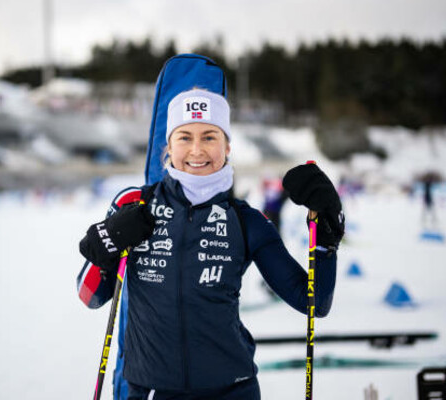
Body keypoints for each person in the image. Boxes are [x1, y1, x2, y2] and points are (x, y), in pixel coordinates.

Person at [77, 88, 344, 400]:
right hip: (151, 391)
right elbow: (89, 296)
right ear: (169, 145)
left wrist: (327, 237)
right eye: (185, 137)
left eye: (209, 137)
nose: (196, 150)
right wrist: (107, 240)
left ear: (227, 145)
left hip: (232, 391)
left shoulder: (246, 220)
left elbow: (313, 303)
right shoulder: (134, 205)